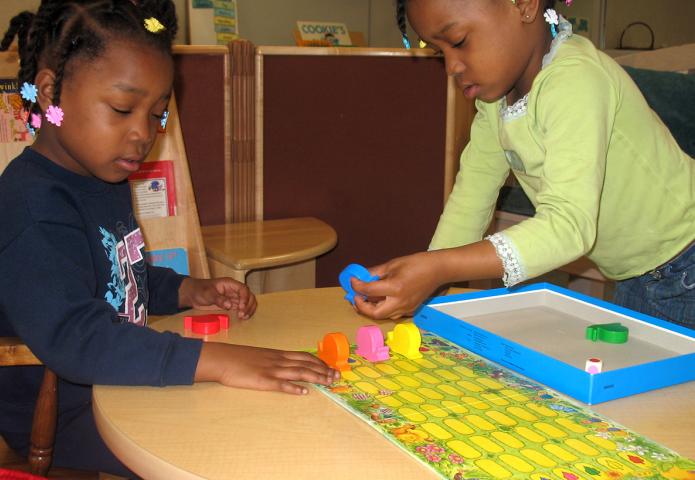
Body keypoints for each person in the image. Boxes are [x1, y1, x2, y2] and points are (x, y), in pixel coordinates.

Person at [0, 1, 339, 475]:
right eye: (122, 109)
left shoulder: (104, 179)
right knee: (228, 446)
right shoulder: (31, 205)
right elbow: (75, 337)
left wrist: (185, 289)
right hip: (66, 412)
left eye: (158, 115)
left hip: (117, 381)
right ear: (52, 92)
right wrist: (217, 360)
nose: (143, 133)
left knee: (263, 414)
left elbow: (114, 274)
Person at [352, 0, 695, 328]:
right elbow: (471, 199)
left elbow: (568, 227)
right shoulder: (496, 100)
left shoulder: (575, 80)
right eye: (441, 52)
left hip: (686, 263)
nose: (452, 66)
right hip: (640, 273)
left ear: (526, 5)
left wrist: (438, 268)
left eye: (459, 41)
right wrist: (426, 283)